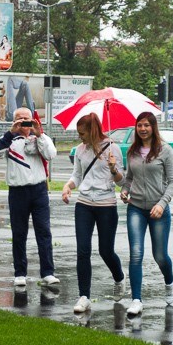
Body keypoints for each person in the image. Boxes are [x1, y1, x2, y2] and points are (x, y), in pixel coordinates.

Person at [61, 113, 126, 314]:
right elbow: (77, 175)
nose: (80, 136)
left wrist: (113, 168)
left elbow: (122, 181)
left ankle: (119, 278)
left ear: (93, 131)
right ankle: (84, 296)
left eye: (82, 133)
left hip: (106, 205)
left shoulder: (113, 148)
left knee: (106, 251)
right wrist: (68, 186)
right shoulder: (80, 150)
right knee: (83, 250)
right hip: (84, 204)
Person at [0, 107, 59, 287]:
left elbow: (51, 154)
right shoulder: (9, 140)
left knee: (44, 232)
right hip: (17, 192)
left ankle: (48, 273)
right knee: (19, 233)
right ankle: (20, 273)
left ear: (33, 120)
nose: (23, 122)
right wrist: (10, 133)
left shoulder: (41, 138)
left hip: (39, 191)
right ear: (14, 121)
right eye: (19, 119)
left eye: (26, 118)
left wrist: (39, 135)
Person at [120, 111, 173, 317]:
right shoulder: (132, 151)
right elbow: (129, 179)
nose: (143, 129)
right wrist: (125, 190)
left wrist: (162, 204)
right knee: (136, 253)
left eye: (146, 125)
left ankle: (169, 282)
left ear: (153, 127)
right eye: (139, 125)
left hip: (158, 210)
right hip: (135, 208)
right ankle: (136, 300)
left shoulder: (165, 150)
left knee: (160, 256)